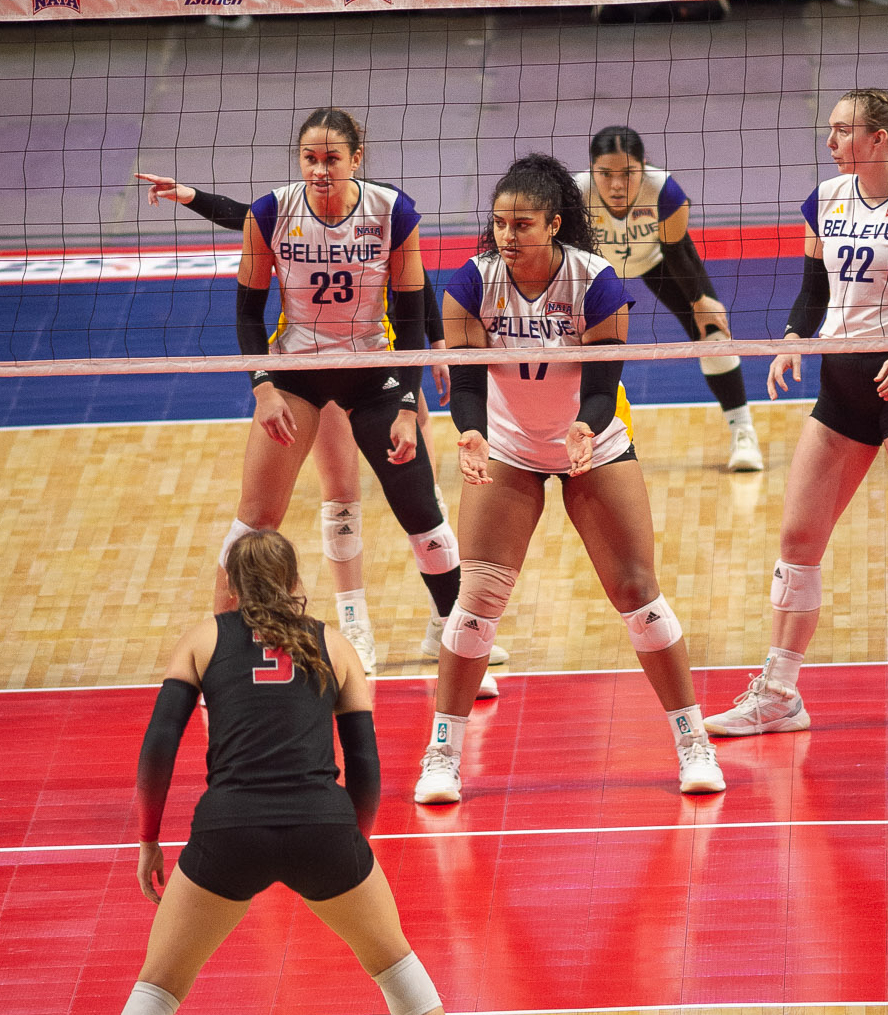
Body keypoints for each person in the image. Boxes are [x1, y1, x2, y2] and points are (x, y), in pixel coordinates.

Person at [65, 528, 484, 1015]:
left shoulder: (202, 640)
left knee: (158, 988)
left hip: (229, 830)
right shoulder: (335, 645)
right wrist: (353, 843)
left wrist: (148, 838)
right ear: (295, 583)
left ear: (231, 588)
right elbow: (365, 765)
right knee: (396, 967)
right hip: (323, 827)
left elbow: (157, 748)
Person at [414, 152, 725, 805]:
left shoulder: (595, 280)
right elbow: (466, 381)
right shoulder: (471, 282)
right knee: (477, 599)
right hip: (510, 447)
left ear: (554, 223)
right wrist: (469, 431)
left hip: (593, 442)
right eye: (500, 223)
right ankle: (442, 754)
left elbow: (603, 382)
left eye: (522, 224)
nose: (507, 235)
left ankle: (692, 741)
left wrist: (585, 425)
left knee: (637, 591)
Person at [139, 170, 509, 684]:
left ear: (354, 158)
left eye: (331, 158)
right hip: (303, 368)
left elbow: (415, 283)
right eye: (310, 158)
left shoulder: (384, 210)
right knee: (326, 501)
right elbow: (247, 219)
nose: (320, 170)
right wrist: (192, 196)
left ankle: (447, 631)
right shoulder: (285, 208)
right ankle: (347, 626)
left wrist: (436, 347)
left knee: (423, 505)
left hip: (375, 363)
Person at [704, 89, 888, 739]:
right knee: (798, 540)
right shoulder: (824, 200)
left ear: (878, 139)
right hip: (841, 386)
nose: (830, 143)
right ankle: (778, 695)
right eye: (830, 131)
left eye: (842, 131)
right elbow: (812, 292)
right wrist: (793, 339)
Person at [575, 126, 763, 472]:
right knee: (568, 344)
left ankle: (744, 433)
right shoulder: (575, 194)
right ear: (591, 170)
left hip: (657, 261)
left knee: (714, 332)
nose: (616, 185)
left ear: (643, 166)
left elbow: (678, 249)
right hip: (595, 269)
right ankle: (569, 434)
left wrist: (700, 299)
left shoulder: (663, 190)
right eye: (605, 174)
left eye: (627, 173)